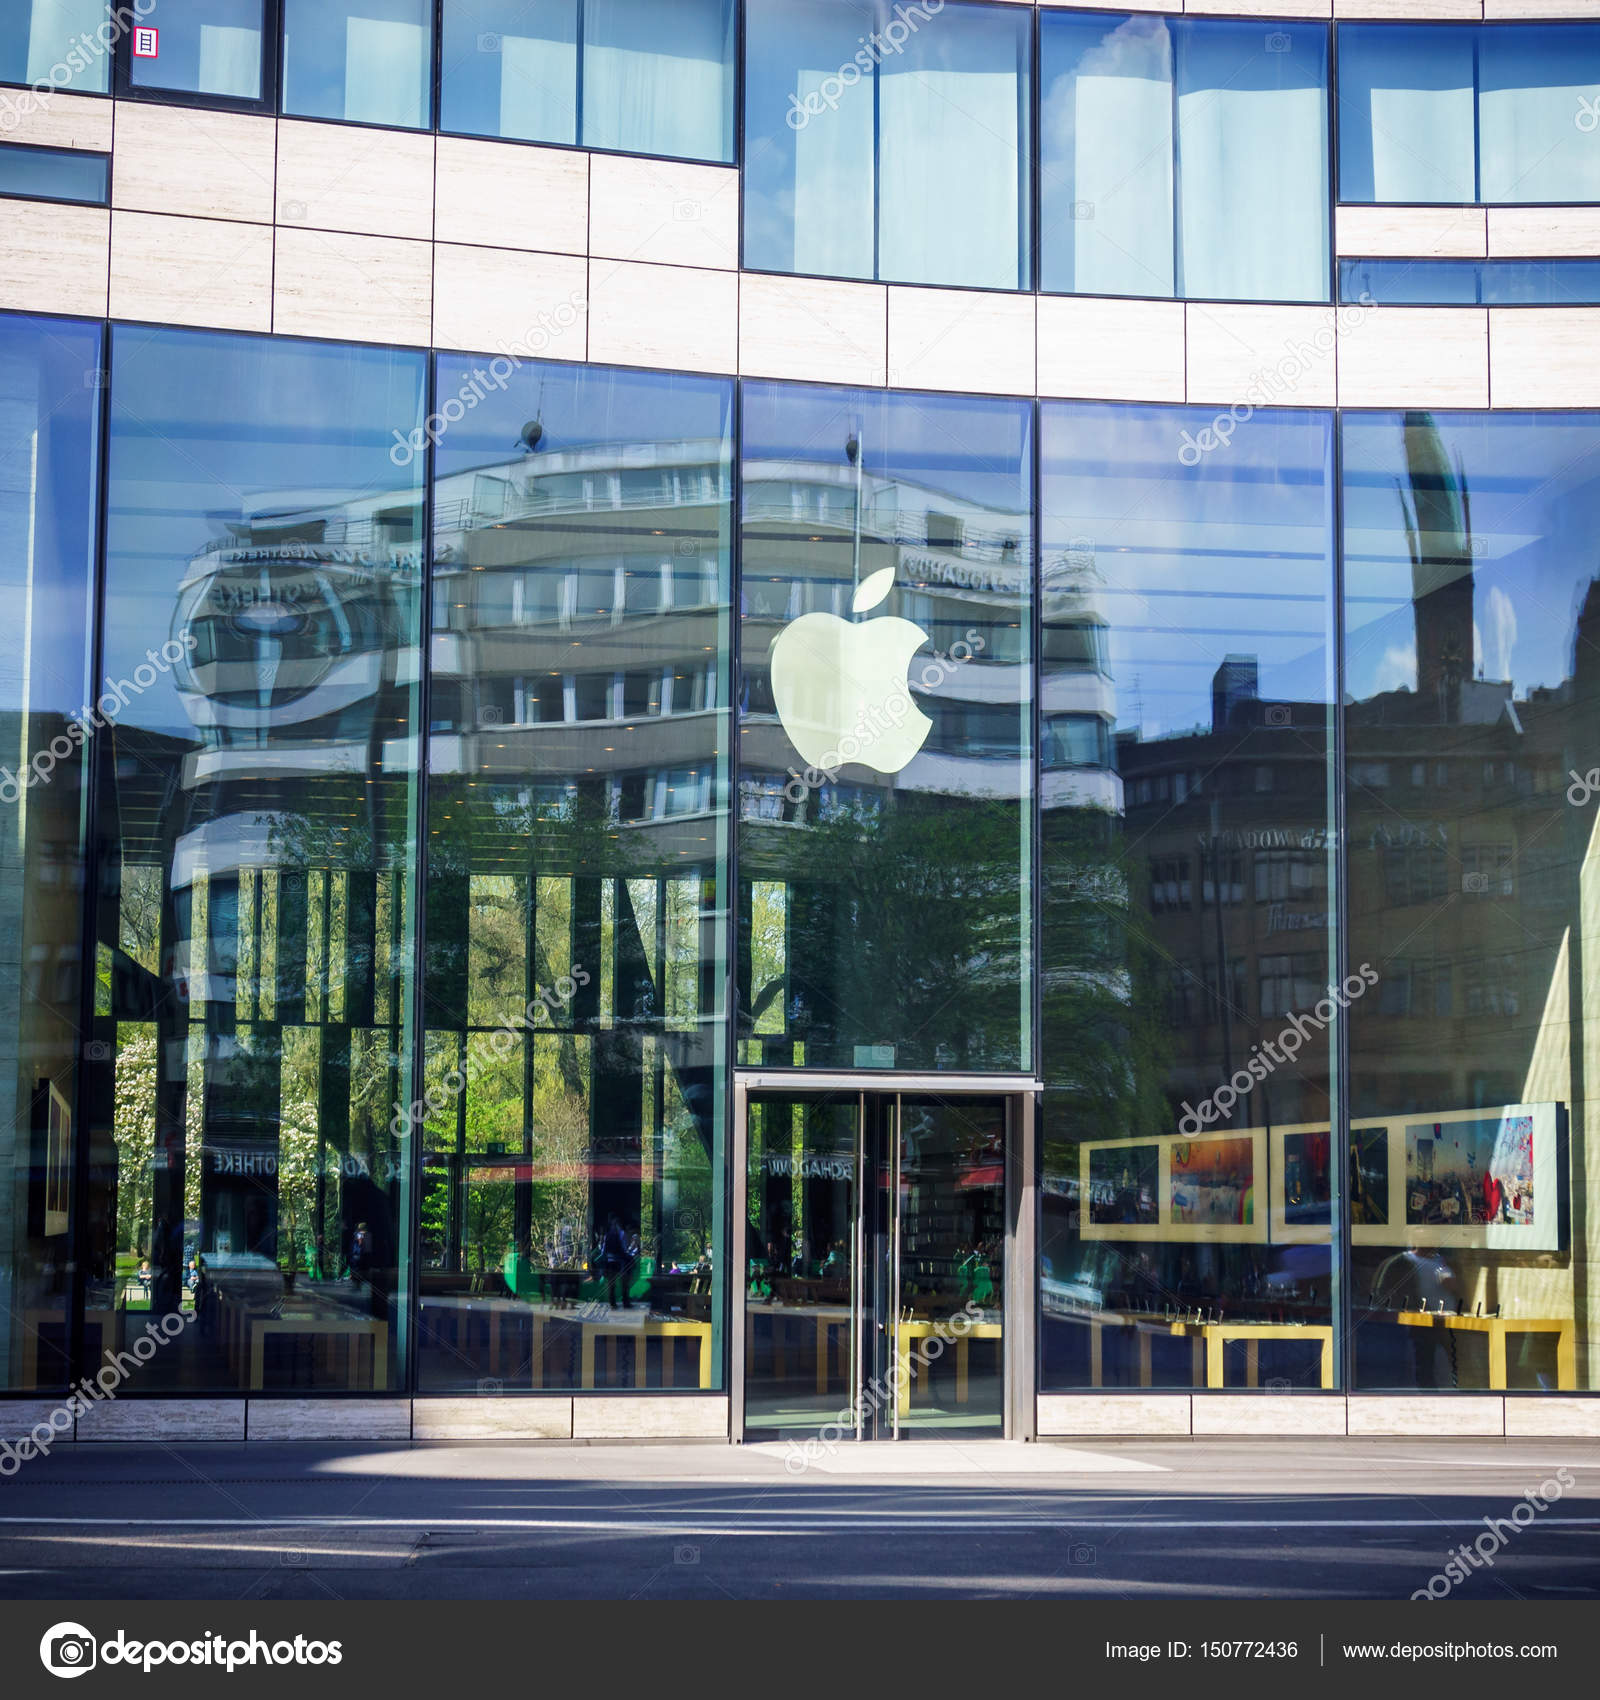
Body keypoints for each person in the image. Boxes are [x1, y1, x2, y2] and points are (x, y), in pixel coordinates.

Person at [601, 1213, 631, 1309]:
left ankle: (612, 1303)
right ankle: (625, 1302)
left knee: (611, 1283)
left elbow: (603, 1250)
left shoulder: (608, 1234)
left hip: (610, 1261)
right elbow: (624, 1248)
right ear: (619, 1223)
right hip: (620, 1261)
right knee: (624, 1283)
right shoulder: (622, 1233)